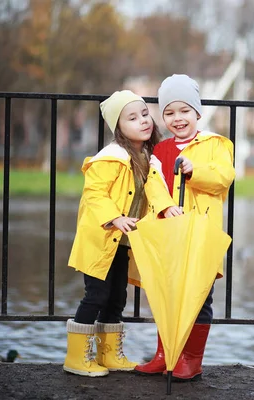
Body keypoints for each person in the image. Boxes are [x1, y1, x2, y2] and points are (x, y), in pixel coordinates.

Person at [63, 90, 174, 377]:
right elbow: (94, 194)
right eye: (132, 118)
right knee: (96, 295)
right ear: (119, 128)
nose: (143, 121)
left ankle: (108, 354)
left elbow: (156, 189)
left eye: (145, 114)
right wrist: (114, 217)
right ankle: (76, 358)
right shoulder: (111, 157)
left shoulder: (147, 158)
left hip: (123, 242)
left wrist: (167, 208)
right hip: (101, 238)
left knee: (116, 297)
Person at [134, 74, 235, 381]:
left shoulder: (216, 145)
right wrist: (166, 206)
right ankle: (165, 355)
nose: (177, 119)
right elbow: (153, 183)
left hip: (201, 235)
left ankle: (191, 359)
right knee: (167, 293)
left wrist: (195, 169)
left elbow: (223, 178)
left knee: (199, 296)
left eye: (184, 111)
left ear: (197, 113)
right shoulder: (160, 150)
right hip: (168, 233)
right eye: (169, 113)